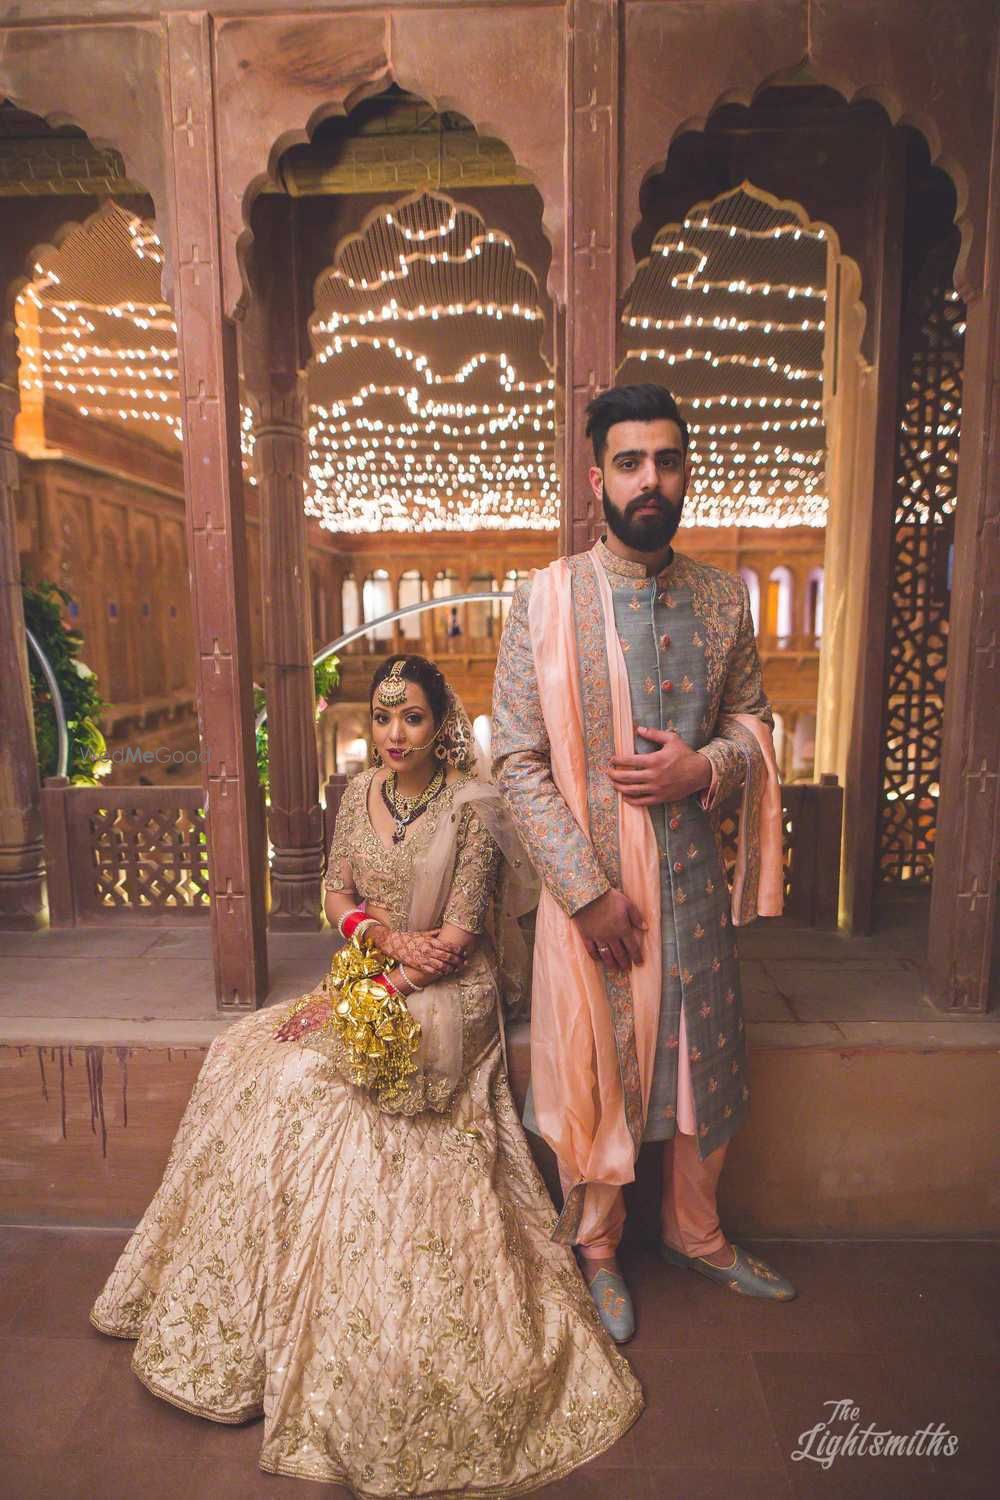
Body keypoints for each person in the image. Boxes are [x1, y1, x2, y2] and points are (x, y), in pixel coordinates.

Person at [91, 653, 641, 1494]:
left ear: (440, 722)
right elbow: (332, 890)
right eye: (383, 717)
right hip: (375, 970)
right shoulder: (358, 794)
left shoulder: (472, 806)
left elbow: (459, 936)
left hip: (453, 990)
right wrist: (377, 949)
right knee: (252, 1058)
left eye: (412, 717)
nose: (394, 734)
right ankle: (252, 1323)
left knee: (331, 1092)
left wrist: (393, 979)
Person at [492, 383, 794, 1344]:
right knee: (602, 1066)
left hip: (694, 882)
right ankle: (600, 1249)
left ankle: (696, 1235)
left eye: (666, 459)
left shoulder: (719, 598)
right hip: (597, 895)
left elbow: (755, 720)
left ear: (685, 469)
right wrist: (584, 895)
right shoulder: (545, 600)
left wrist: (708, 763)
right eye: (629, 462)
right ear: (597, 479)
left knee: (699, 1063)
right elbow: (515, 757)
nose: (649, 479)